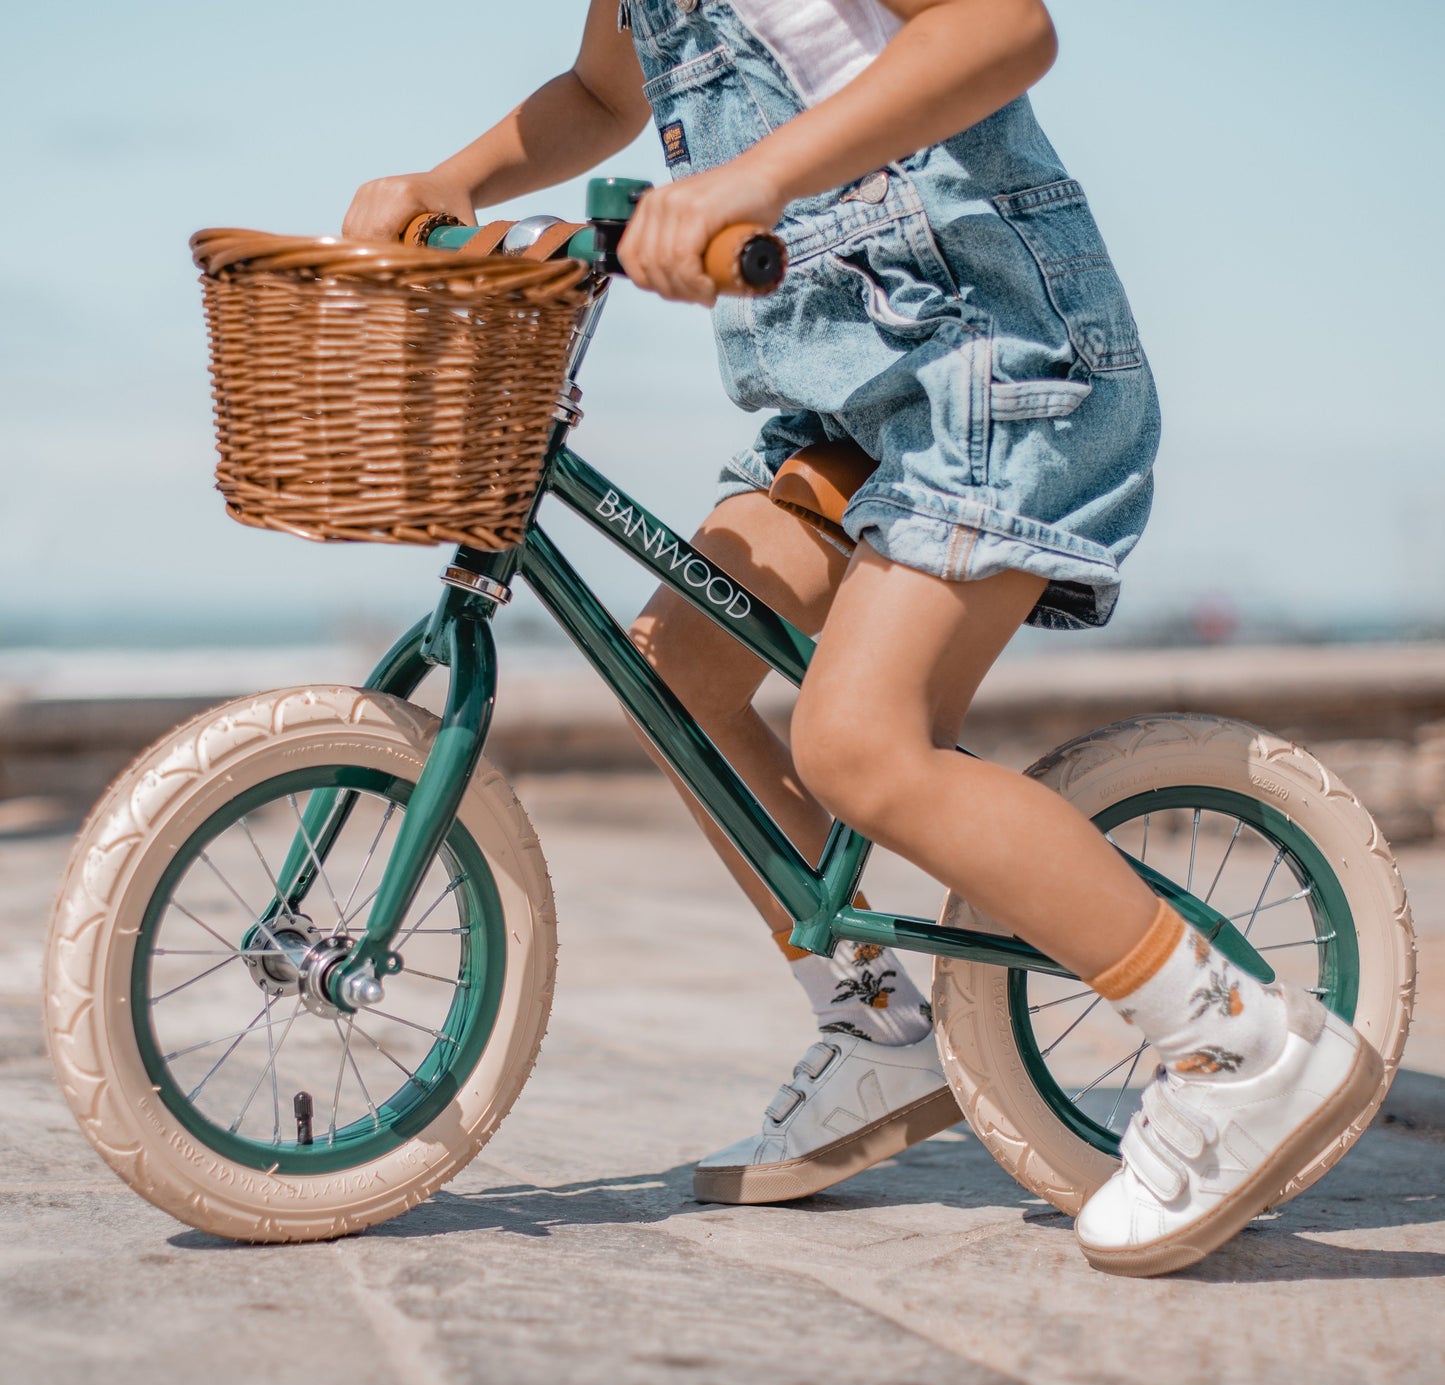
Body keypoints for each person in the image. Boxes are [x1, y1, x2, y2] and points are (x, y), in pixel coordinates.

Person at [345, 0, 1382, 1275]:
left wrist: (753, 177)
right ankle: (872, 1019)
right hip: (845, 409)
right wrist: (450, 180)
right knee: (680, 668)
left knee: (859, 746)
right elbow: (601, 94)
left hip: (995, 377)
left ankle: (1236, 1043)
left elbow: (1000, 28)